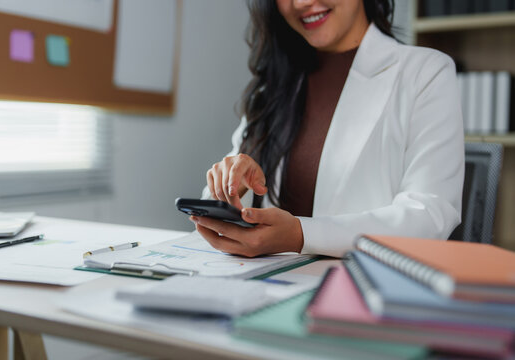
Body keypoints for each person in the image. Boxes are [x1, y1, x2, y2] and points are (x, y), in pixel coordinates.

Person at [191, 0, 464, 258]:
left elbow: (429, 215)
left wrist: (302, 234)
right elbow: (217, 205)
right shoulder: (275, 84)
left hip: (360, 291)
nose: (301, 3)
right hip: (266, 287)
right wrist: (233, 187)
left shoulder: (426, 72)